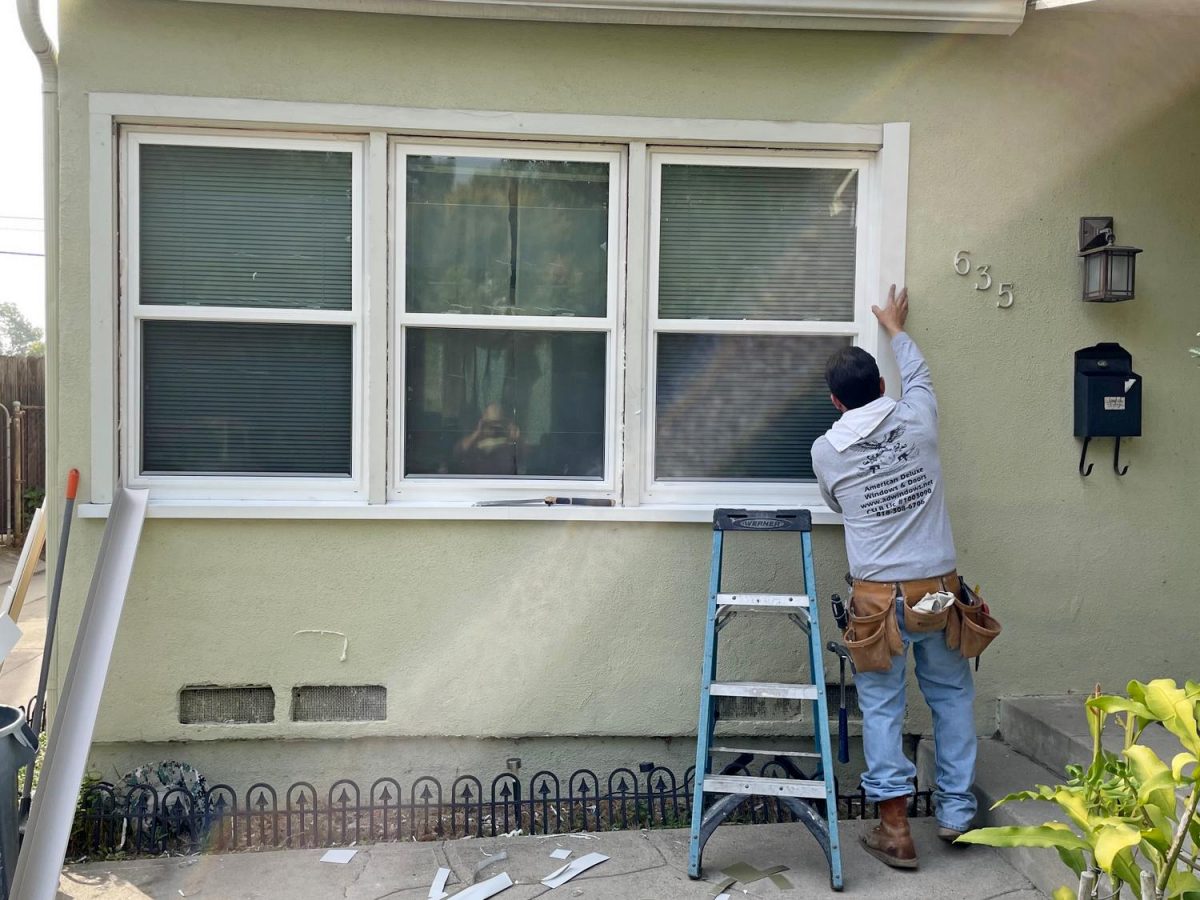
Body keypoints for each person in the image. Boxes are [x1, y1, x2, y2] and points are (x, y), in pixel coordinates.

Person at [810, 285, 975, 870]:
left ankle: (896, 829)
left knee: (881, 705)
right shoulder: (919, 418)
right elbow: (920, 374)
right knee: (950, 695)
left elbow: (837, 505)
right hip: (939, 593)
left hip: (879, 601)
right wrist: (895, 326)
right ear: (881, 388)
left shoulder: (827, 451)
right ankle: (956, 812)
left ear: (835, 402)